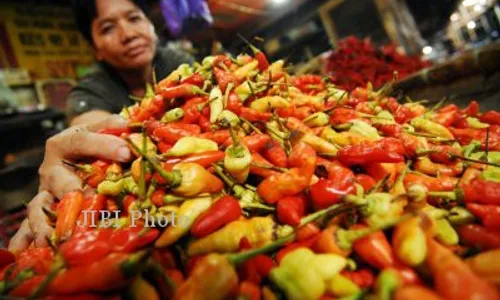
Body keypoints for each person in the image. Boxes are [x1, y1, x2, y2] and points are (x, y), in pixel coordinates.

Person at [8, 0, 194, 252]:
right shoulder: (90, 90)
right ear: (96, 49)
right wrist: (80, 142)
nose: (128, 34)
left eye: (134, 18)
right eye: (107, 28)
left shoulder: (177, 63)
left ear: (150, 24)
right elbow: (89, 125)